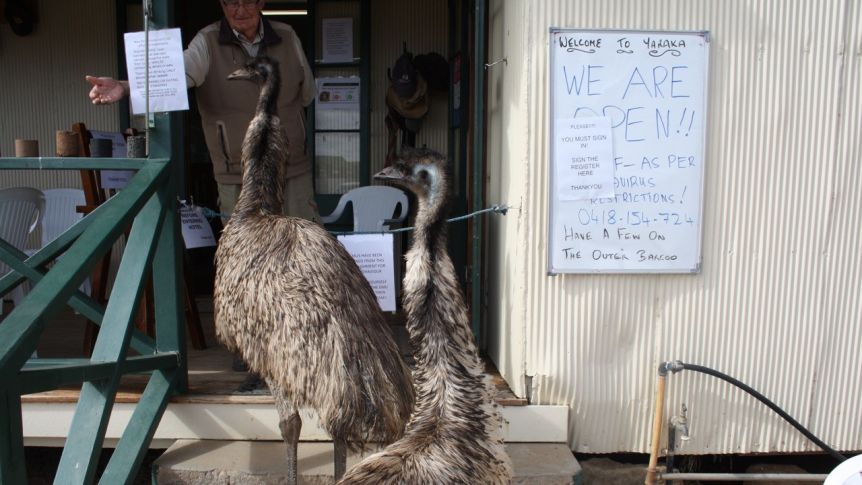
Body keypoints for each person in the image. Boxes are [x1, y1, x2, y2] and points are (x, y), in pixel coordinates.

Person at [86, 0, 318, 223]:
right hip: (236, 173)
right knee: (245, 255)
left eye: (247, 2)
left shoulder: (287, 36)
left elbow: (307, 93)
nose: (240, 10)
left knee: (305, 249)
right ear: (222, 5)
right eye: (231, 3)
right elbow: (173, 74)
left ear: (261, 3)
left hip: (292, 168)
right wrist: (124, 86)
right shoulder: (207, 41)